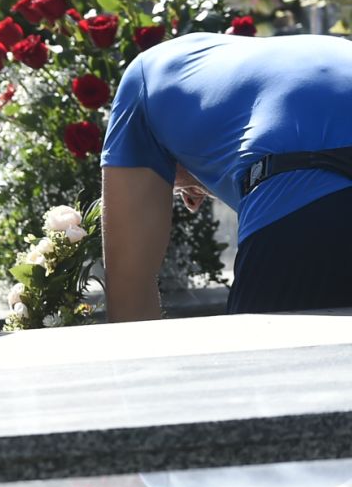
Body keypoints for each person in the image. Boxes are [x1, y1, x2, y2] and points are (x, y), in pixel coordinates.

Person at [102, 31, 352, 321]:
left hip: (303, 192)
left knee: (274, 351)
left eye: (180, 189)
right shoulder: (285, 57)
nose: (192, 199)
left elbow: (129, 289)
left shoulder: (142, 77)